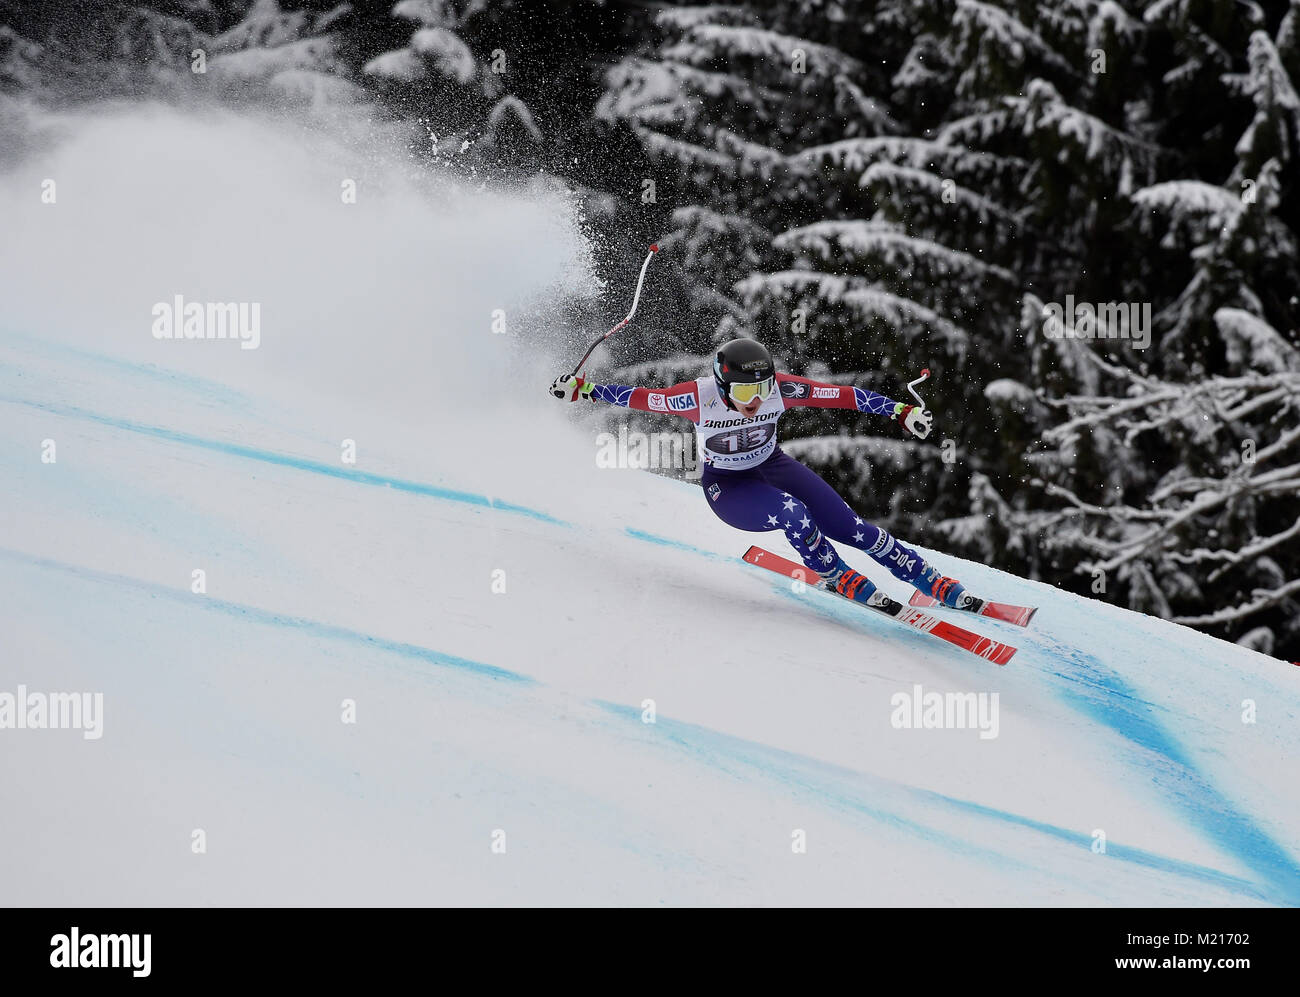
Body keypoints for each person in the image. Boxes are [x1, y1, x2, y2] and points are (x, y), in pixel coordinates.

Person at [550, 338, 983, 611]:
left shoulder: (781, 389)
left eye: (761, 390)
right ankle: (836, 575)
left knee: (855, 528)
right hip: (729, 487)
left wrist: (900, 410)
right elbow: (640, 398)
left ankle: (928, 580)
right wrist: (584, 388)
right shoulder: (696, 398)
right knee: (794, 515)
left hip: (774, 468)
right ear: (722, 387)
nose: (755, 401)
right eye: (743, 392)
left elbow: (841, 396)